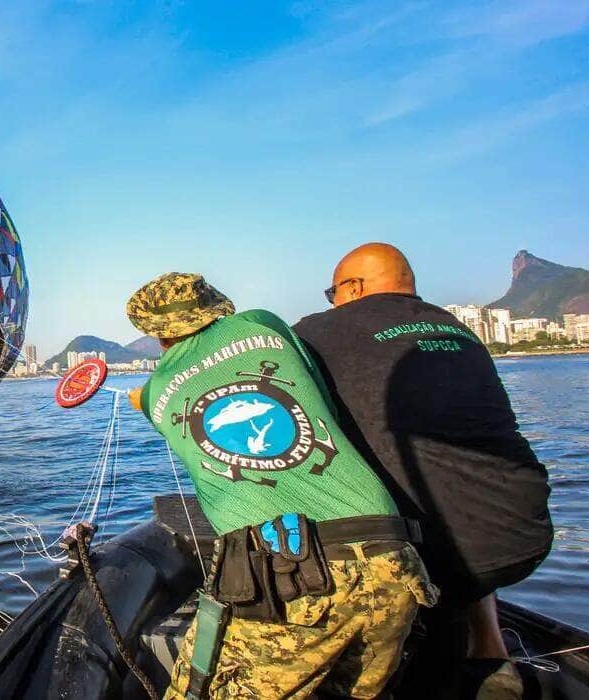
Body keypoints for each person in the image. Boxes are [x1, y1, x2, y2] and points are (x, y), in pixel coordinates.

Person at [125, 272, 436, 700]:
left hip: (291, 575)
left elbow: (177, 425)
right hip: (391, 556)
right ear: (217, 303)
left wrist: (142, 400)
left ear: (156, 336)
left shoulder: (158, 386)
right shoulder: (261, 324)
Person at [293, 243, 553, 699]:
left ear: (352, 287)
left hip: (434, 551)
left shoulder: (323, 330)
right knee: (452, 499)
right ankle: (492, 654)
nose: (330, 302)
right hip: (521, 531)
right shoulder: (458, 328)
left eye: (332, 292)